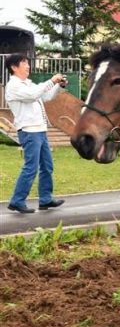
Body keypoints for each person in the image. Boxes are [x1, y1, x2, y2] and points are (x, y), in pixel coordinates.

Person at [5, 53, 66, 214]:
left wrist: (58, 86)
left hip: (40, 130)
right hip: (29, 131)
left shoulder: (28, 83)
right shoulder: (14, 86)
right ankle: (17, 201)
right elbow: (33, 95)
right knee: (30, 168)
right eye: (24, 62)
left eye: (27, 62)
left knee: (47, 166)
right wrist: (52, 80)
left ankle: (45, 200)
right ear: (13, 67)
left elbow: (45, 96)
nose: (28, 65)